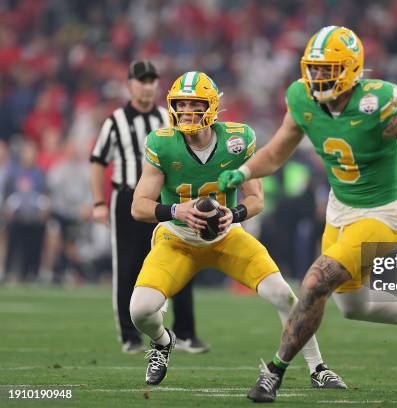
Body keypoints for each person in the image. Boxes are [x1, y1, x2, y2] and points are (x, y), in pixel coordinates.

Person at [218, 26, 397, 402]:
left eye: (327, 69)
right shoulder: (302, 99)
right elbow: (278, 151)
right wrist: (246, 171)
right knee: (353, 304)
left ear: (351, 69)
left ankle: (275, 373)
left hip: (383, 213)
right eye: (313, 68)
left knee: (315, 282)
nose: (317, 77)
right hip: (340, 207)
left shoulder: (378, 103)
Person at [129, 70, 344, 388]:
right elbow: (139, 207)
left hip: (226, 237)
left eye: (195, 104)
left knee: (283, 295)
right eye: (181, 104)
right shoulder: (162, 144)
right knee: (140, 311)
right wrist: (176, 209)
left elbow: (256, 199)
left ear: (212, 107)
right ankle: (163, 341)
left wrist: (235, 213)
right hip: (177, 238)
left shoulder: (236, 140)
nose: (187, 111)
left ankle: (318, 368)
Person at [90, 60, 207, 354]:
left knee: (180, 260)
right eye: (142, 80)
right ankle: (130, 336)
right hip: (126, 197)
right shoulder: (115, 120)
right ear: (130, 85)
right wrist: (98, 202)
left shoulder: (166, 119)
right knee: (127, 267)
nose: (147, 86)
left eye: (152, 80)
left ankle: (186, 333)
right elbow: (97, 162)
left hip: (164, 199)